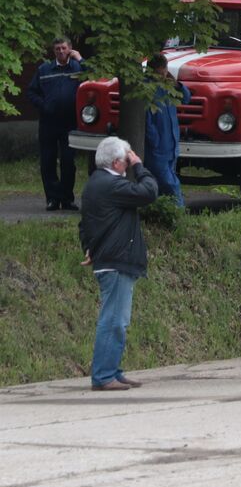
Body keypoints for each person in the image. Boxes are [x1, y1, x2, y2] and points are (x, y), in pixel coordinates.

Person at [79, 136, 158, 391]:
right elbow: (149, 191)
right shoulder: (110, 184)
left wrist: (89, 247)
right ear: (116, 162)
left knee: (117, 320)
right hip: (116, 262)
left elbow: (86, 223)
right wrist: (139, 166)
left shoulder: (96, 183)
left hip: (110, 259)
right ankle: (103, 376)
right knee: (113, 320)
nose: (129, 163)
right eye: (126, 159)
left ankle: (112, 370)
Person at [25, 35, 87, 211]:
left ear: (70, 49)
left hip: (70, 122)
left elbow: (94, 77)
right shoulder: (44, 69)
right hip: (48, 123)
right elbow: (31, 92)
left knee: (68, 162)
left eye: (64, 48)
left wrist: (80, 58)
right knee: (48, 161)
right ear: (53, 51)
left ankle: (67, 199)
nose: (61, 51)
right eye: (57, 49)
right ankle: (52, 199)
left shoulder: (78, 67)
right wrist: (43, 106)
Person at [143, 53, 189, 207]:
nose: (163, 74)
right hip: (157, 147)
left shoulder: (168, 86)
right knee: (171, 184)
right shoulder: (146, 89)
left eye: (164, 70)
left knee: (164, 185)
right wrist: (154, 141)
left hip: (172, 144)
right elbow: (147, 121)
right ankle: (179, 213)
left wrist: (176, 84)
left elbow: (186, 98)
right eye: (160, 71)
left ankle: (161, 213)